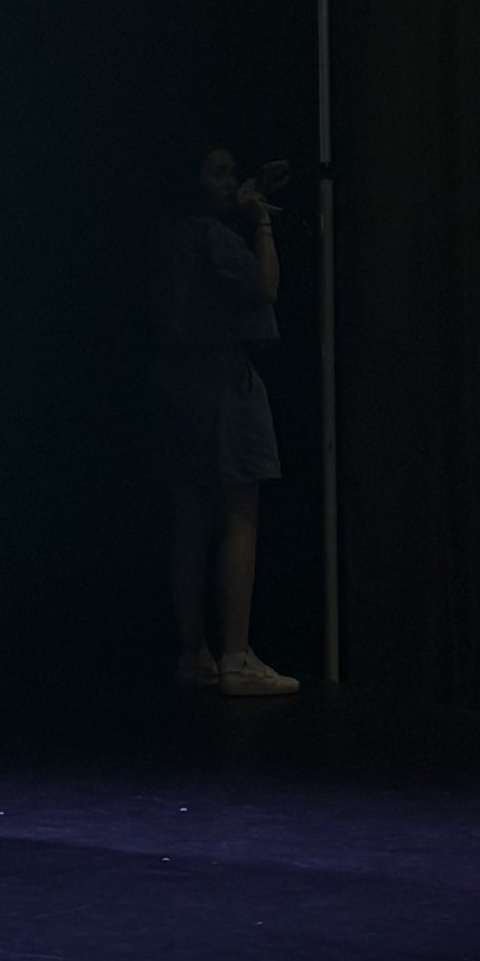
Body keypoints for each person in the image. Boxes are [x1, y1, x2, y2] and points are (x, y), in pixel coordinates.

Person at [155, 145, 299, 695]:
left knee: (190, 517)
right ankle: (237, 655)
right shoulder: (215, 237)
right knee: (240, 512)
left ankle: (194, 654)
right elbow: (265, 287)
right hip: (222, 380)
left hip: (176, 382)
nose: (229, 181)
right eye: (217, 172)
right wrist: (261, 221)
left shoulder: (167, 237)